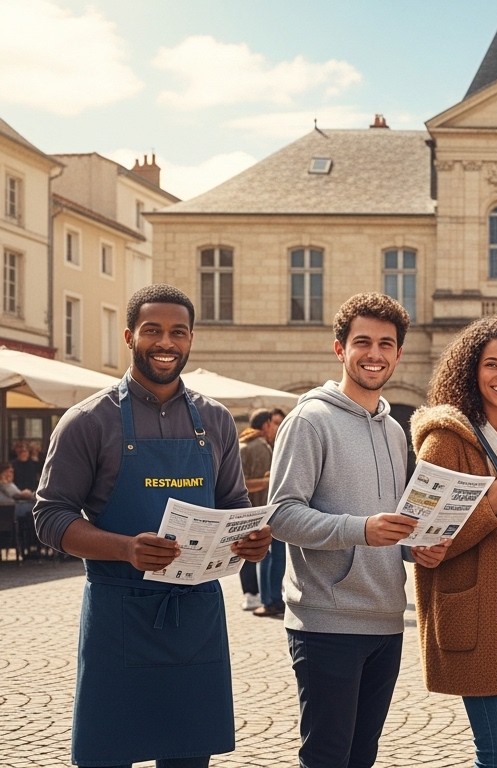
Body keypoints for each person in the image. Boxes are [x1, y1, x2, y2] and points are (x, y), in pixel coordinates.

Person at [32, 283, 273, 768]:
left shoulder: (216, 420)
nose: (166, 342)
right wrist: (125, 548)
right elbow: (50, 515)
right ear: (129, 336)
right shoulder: (88, 421)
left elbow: (232, 503)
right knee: (107, 756)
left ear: (191, 339)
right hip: (118, 617)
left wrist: (251, 540)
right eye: (152, 330)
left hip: (195, 617)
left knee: (188, 757)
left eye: (178, 332)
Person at [269, 292, 448, 768]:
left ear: (398, 353)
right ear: (340, 348)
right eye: (362, 342)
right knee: (327, 757)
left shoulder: (394, 430)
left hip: (386, 619)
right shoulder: (309, 420)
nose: (374, 354)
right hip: (326, 621)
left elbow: (390, 519)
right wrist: (361, 530)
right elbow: (281, 515)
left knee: (362, 756)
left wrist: (414, 548)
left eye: (385, 344)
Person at [410, 316, 497, 768]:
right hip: (484, 607)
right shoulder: (446, 441)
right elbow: (424, 543)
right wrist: (488, 508)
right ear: (471, 371)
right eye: (492, 364)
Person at [241, 408, 286, 617]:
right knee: (272, 557)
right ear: (267, 424)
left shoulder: (244, 444)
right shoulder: (260, 447)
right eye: (273, 424)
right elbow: (245, 483)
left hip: (255, 511)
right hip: (266, 511)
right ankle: (271, 600)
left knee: (268, 557)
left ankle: (270, 600)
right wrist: (268, 481)